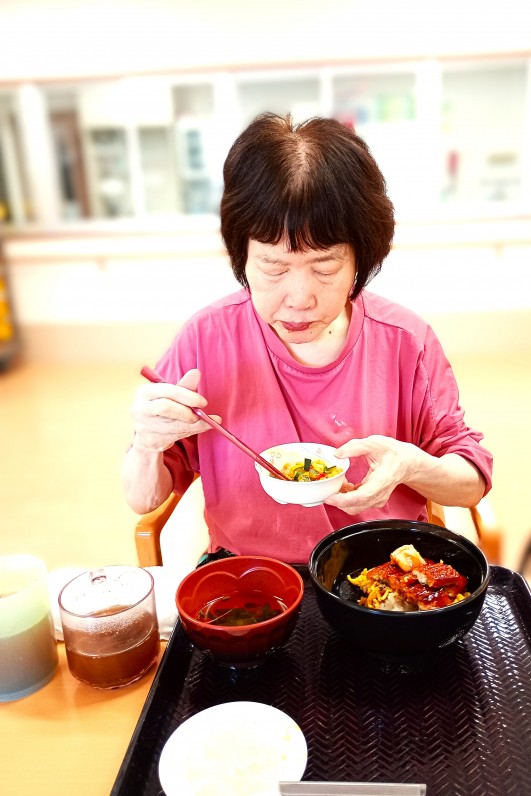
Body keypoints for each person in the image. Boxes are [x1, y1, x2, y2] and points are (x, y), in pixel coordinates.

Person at [122, 112, 493, 564]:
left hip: (383, 571)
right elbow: (143, 499)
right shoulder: (206, 337)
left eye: (325, 266)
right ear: (242, 256)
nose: (299, 299)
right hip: (252, 576)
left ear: (361, 259)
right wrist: (148, 444)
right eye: (273, 266)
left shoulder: (405, 340)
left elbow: (472, 480)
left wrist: (415, 467)